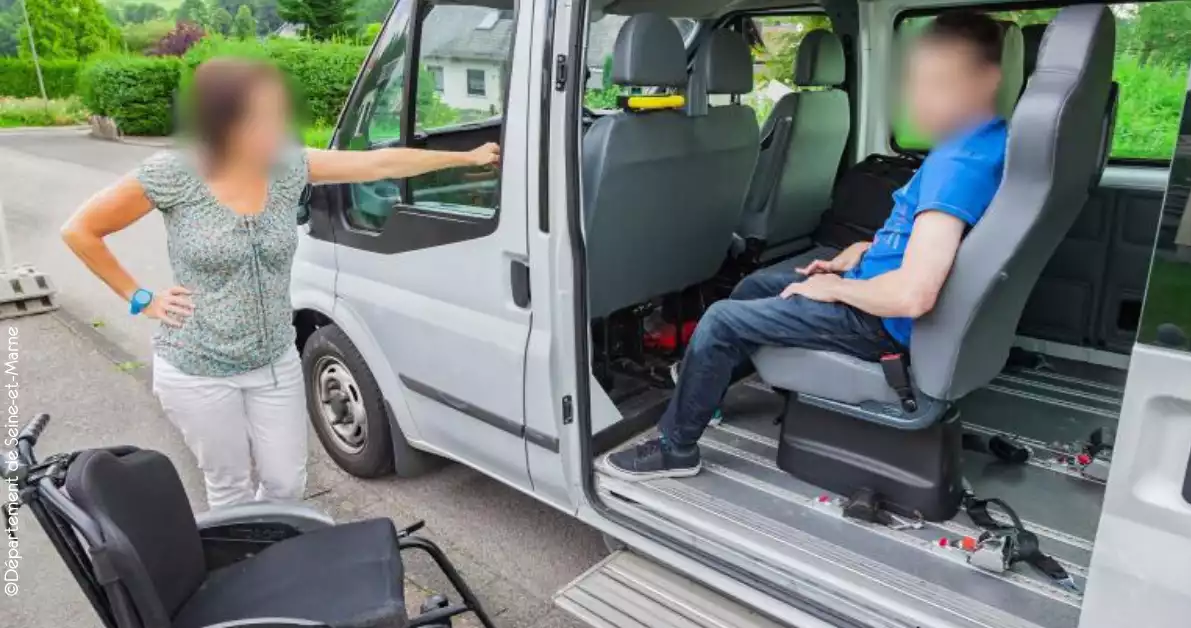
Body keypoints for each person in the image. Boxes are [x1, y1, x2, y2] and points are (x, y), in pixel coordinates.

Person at [61, 59, 500, 508]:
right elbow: (81, 231)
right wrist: (141, 297)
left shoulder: (288, 167)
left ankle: (274, 541)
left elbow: (377, 163)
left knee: (286, 485)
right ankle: (250, 563)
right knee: (228, 488)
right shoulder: (174, 174)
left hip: (274, 361)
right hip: (198, 368)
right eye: (264, 114)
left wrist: (465, 157)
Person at [605, 11, 1010, 481]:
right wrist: (859, 252)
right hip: (875, 292)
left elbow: (913, 294)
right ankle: (705, 391)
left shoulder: (958, 164)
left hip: (878, 322)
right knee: (756, 284)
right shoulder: (985, 141)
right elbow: (927, 240)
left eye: (940, 82)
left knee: (720, 320)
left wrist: (836, 289)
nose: (919, 97)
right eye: (918, 81)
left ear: (988, 79)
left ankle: (676, 447)